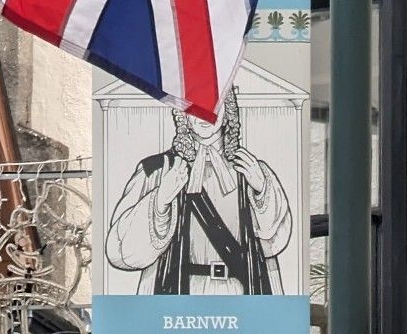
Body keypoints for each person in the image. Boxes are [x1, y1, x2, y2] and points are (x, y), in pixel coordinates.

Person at [105, 90, 293, 297]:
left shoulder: (251, 171)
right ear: (182, 114)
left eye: (213, 106)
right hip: (178, 299)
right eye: (194, 107)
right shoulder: (156, 171)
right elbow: (120, 251)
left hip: (241, 297)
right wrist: (160, 201)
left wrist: (261, 190)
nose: (204, 115)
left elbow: (275, 243)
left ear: (227, 112)